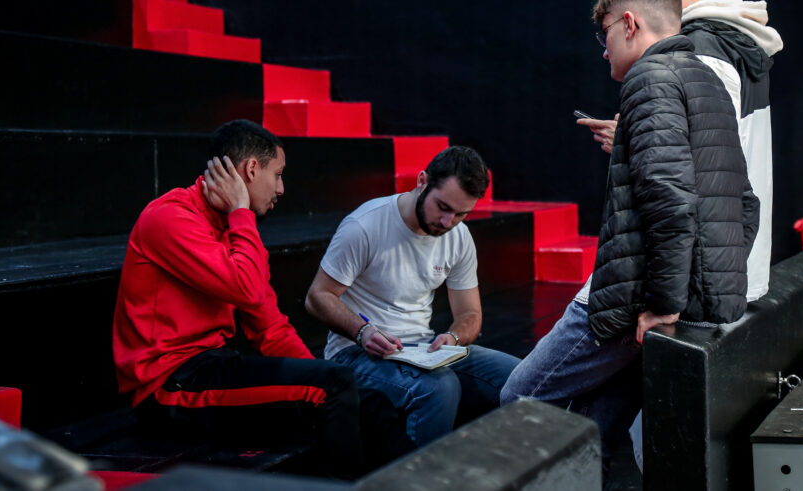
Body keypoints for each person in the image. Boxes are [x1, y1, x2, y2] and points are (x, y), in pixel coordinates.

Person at [501, 0, 758, 463]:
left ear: (629, 23)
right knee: (599, 432)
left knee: (518, 399)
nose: (603, 50)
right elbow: (743, 202)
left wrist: (664, 303)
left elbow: (671, 200)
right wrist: (702, 289)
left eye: (606, 35)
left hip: (637, 305)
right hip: (692, 305)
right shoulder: (707, 80)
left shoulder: (649, 78)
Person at [111, 120, 407, 478]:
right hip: (169, 386)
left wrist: (323, 373)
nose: (281, 188)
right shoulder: (170, 217)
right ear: (252, 169)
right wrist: (241, 212)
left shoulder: (236, 231)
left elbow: (269, 327)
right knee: (334, 388)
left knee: (369, 402)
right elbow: (246, 289)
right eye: (278, 174)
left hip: (214, 367)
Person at [582, 0, 781, 302]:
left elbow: (688, 185)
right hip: (729, 272)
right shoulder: (735, 38)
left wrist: (637, 142)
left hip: (702, 284)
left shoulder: (700, 50)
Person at [305, 146, 521, 447]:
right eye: (443, 207)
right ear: (422, 181)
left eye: (461, 214)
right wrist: (362, 331)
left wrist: (454, 339)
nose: (448, 222)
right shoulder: (365, 225)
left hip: (423, 348)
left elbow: (470, 315)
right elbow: (317, 296)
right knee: (439, 388)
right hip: (356, 352)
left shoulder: (458, 237)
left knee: (523, 377)